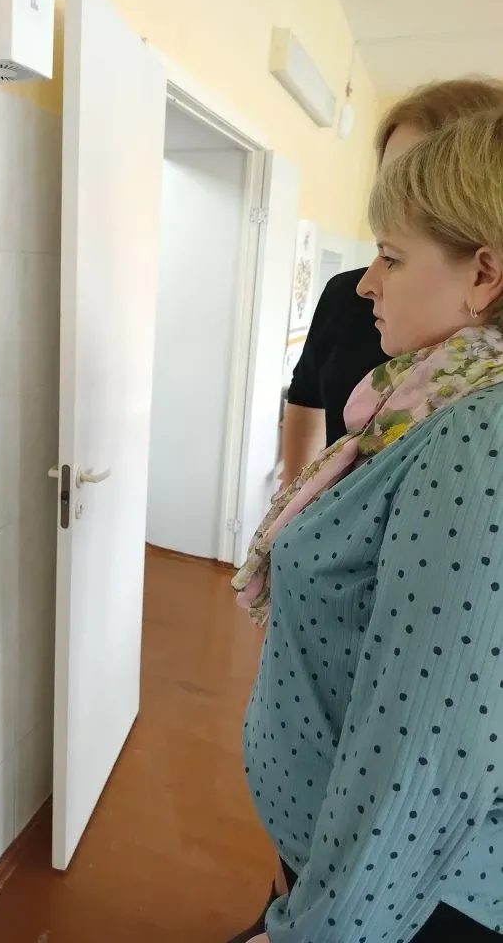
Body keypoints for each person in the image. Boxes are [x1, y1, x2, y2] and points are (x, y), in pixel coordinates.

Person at [231, 107, 503, 942]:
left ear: (484, 274)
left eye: (391, 256)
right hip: (336, 859)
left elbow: (418, 762)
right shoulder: (430, 397)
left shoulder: (477, 436)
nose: (366, 284)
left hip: (395, 903)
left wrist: (309, 932)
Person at [281, 78, 503, 488]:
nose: (400, 192)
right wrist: (295, 503)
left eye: (427, 174)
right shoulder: (346, 294)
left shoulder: (481, 415)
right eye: (392, 176)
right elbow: (306, 394)